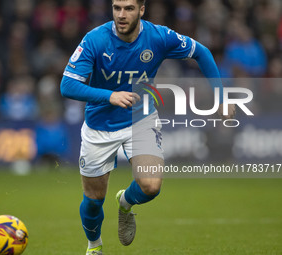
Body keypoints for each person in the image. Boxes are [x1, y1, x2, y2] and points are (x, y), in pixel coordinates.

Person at [60, 0, 235, 254]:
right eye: (117, 7)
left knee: (151, 185)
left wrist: (220, 97)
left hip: (140, 118)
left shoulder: (159, 37)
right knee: (93, 201)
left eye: (129, 8)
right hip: (100, 125)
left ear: (141, 10)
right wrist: (109, 96)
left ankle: (125, 202)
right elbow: (67, 85)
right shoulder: (95, 39)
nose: (121, 14)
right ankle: (94, 245)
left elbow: (202, 52)